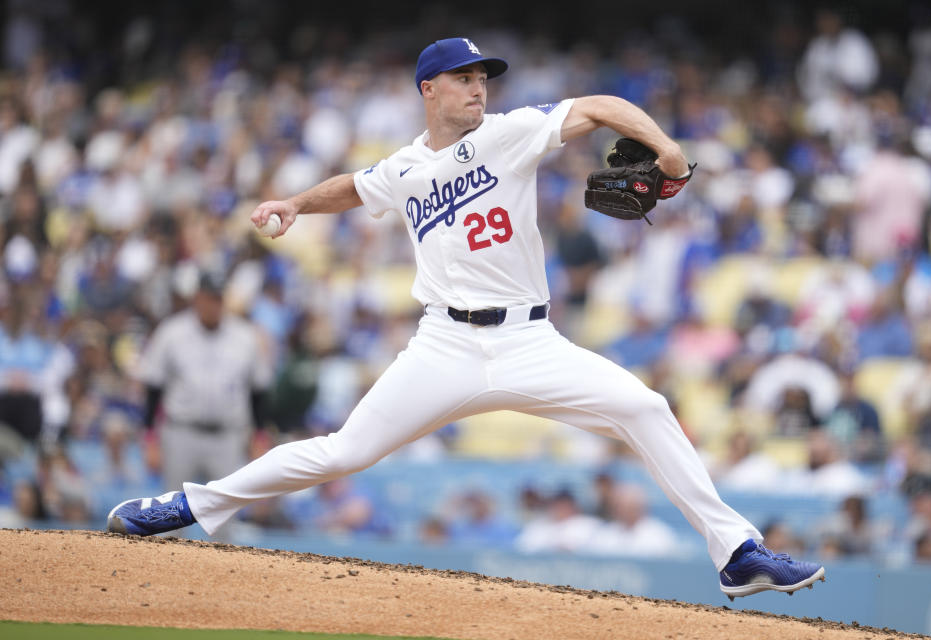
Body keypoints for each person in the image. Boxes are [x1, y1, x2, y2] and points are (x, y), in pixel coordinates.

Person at [107, 37, 824, 599]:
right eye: (464, 78)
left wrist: (668, 151)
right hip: (443, 343)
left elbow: (602, 104)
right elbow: (353, 188)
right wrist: (295, 202)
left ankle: (735, 553)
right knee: (344, 452)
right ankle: (189, 505)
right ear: (429, 89)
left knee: (645, 406)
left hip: (528, 339)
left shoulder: (511, 133)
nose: (479, 87)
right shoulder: (403, 167)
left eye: (484, 77)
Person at [134, 271, 273, 495]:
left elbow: (258, 390)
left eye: (218, 298)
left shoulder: (245, 336)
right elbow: (153, 387)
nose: (214, 305)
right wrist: (150, 437)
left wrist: (259, 434)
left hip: (228, 437)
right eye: (209, 297)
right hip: (181, 433)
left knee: (225, 518)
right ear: (197, 297)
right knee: (172, 511)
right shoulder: (172, 332)